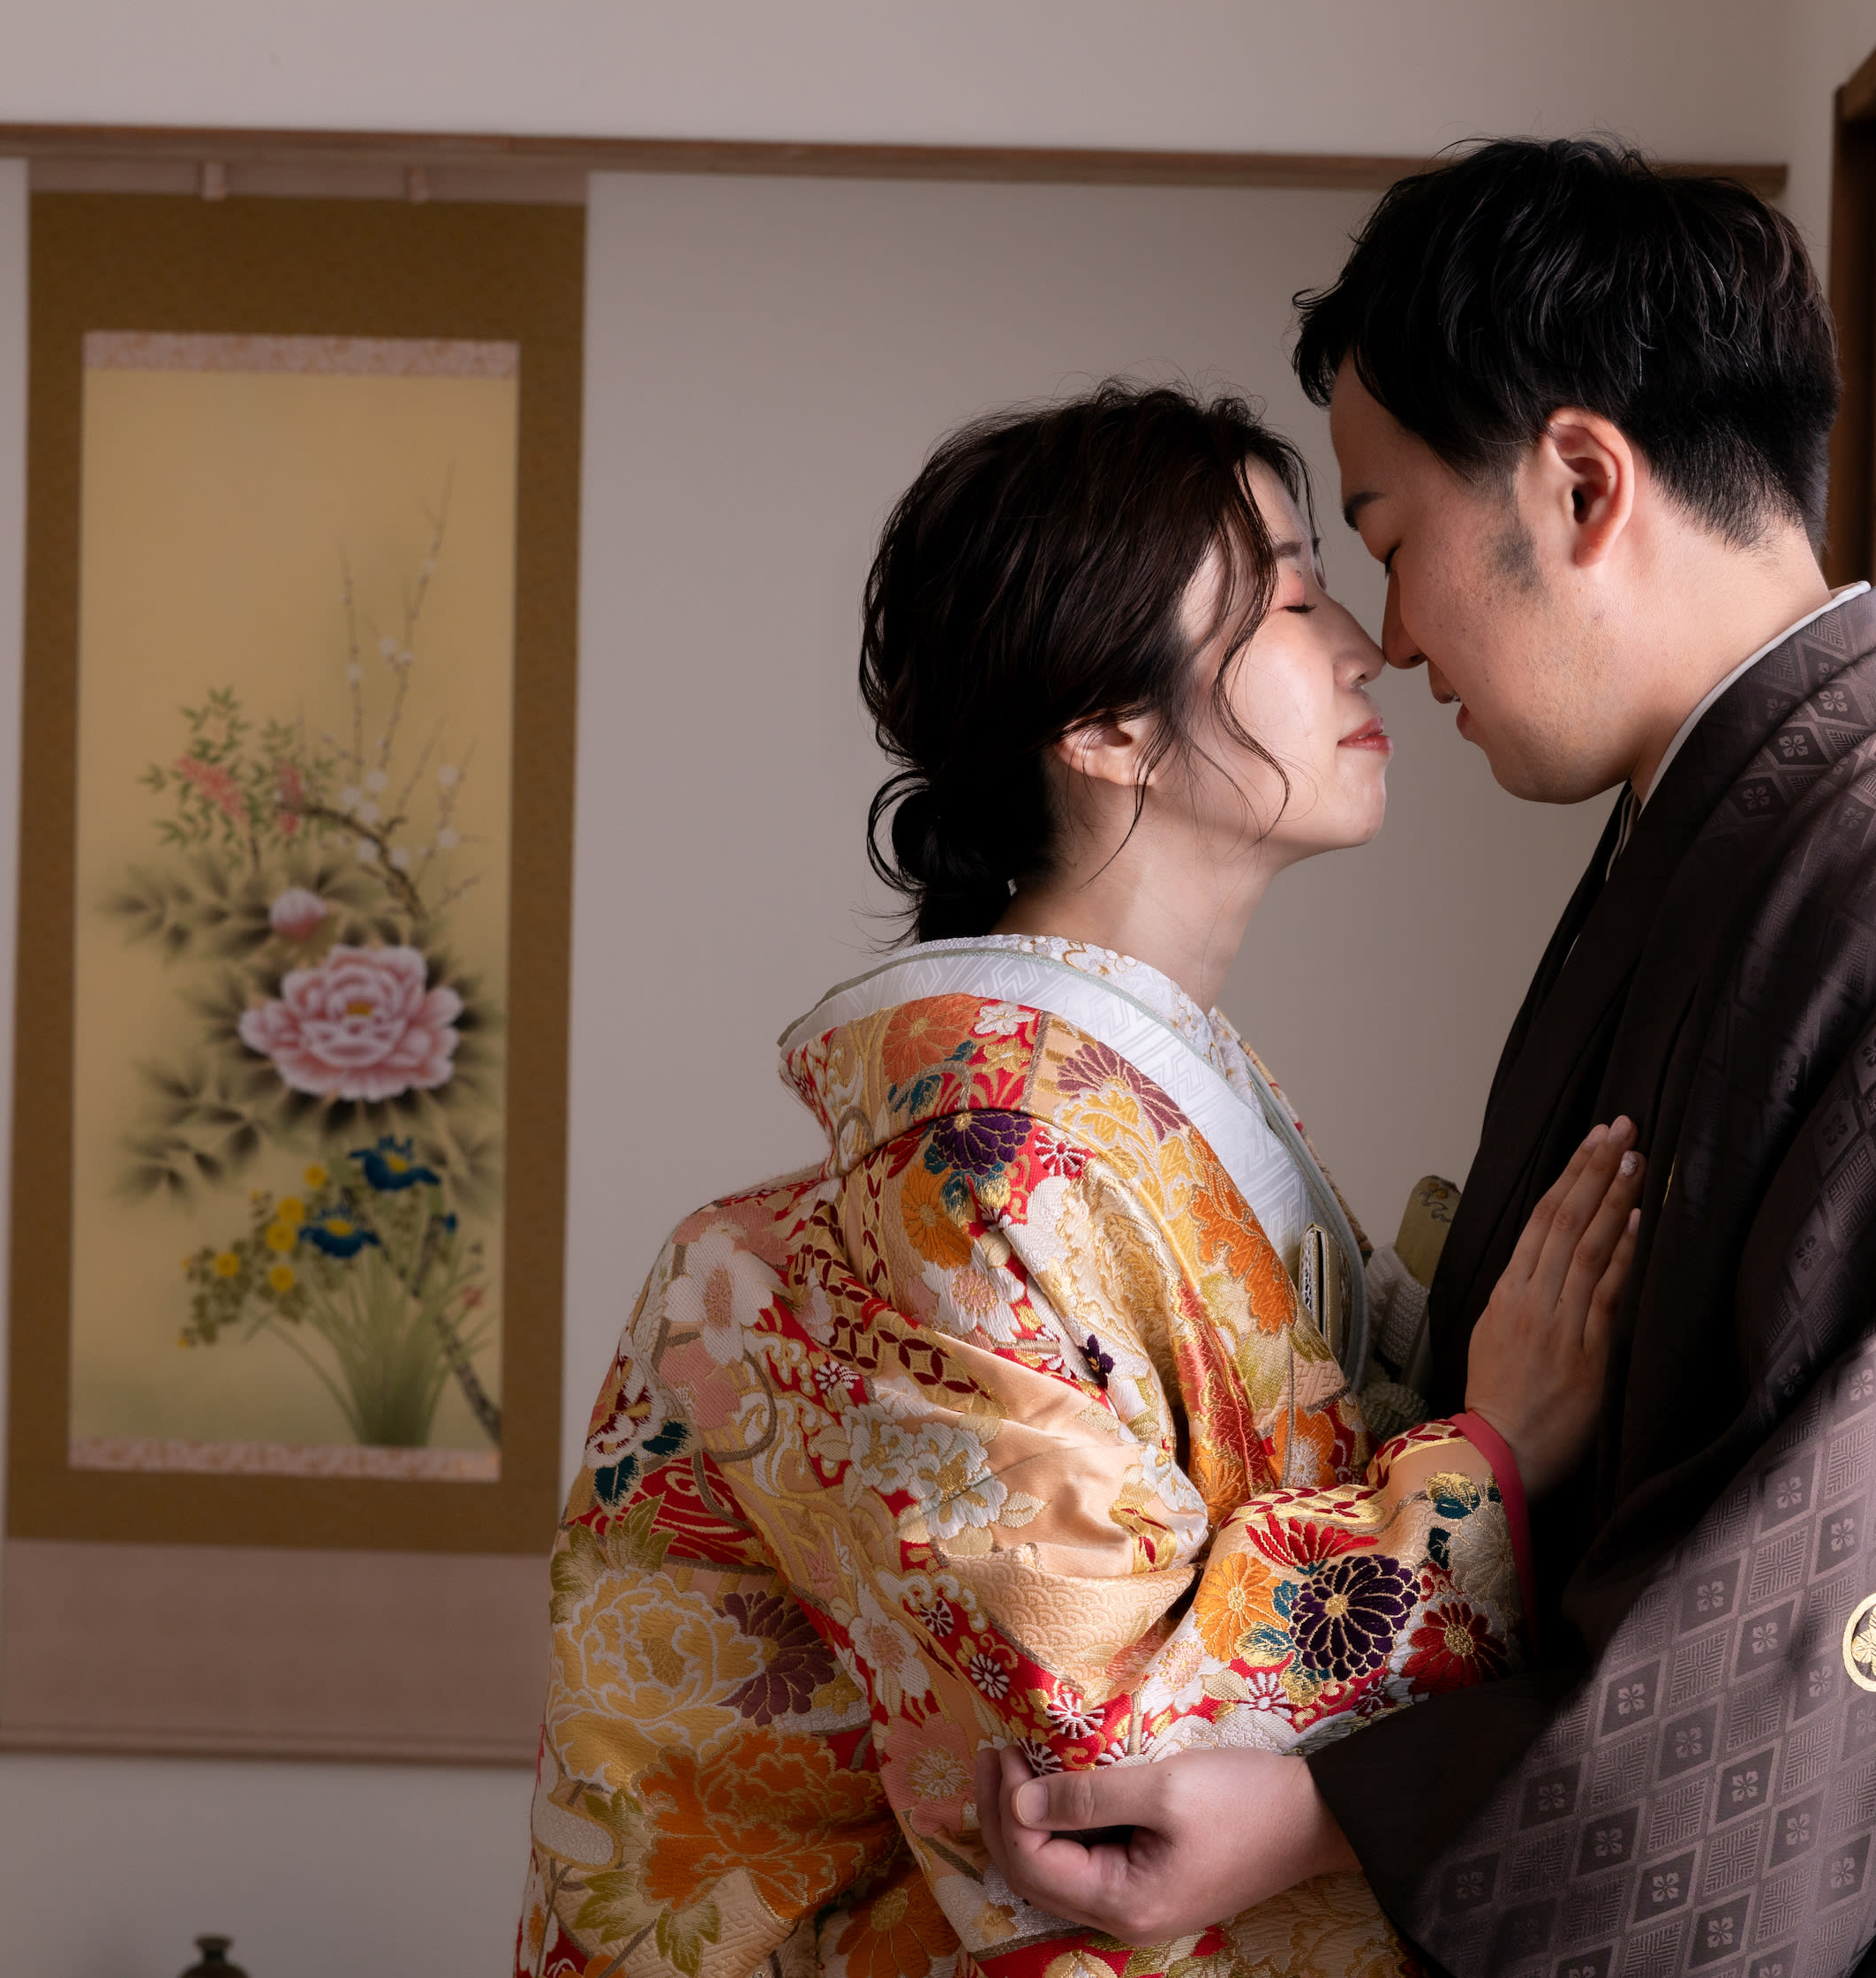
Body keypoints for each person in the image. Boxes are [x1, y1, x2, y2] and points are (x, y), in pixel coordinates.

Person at [976, 142, 1876, 1978]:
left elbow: (1817, 1674)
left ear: (1579, 483)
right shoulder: (1728, 846)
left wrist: (1326, 1810)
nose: (1391, 636)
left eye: (1388, 540)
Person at [516, 382, 1653, 1978]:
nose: (1369, 647)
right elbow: (1098, 1771)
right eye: (1292, 598)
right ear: (1107, 726)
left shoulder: (1120, 1108)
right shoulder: (976, 1166)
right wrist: (1486, 1460)